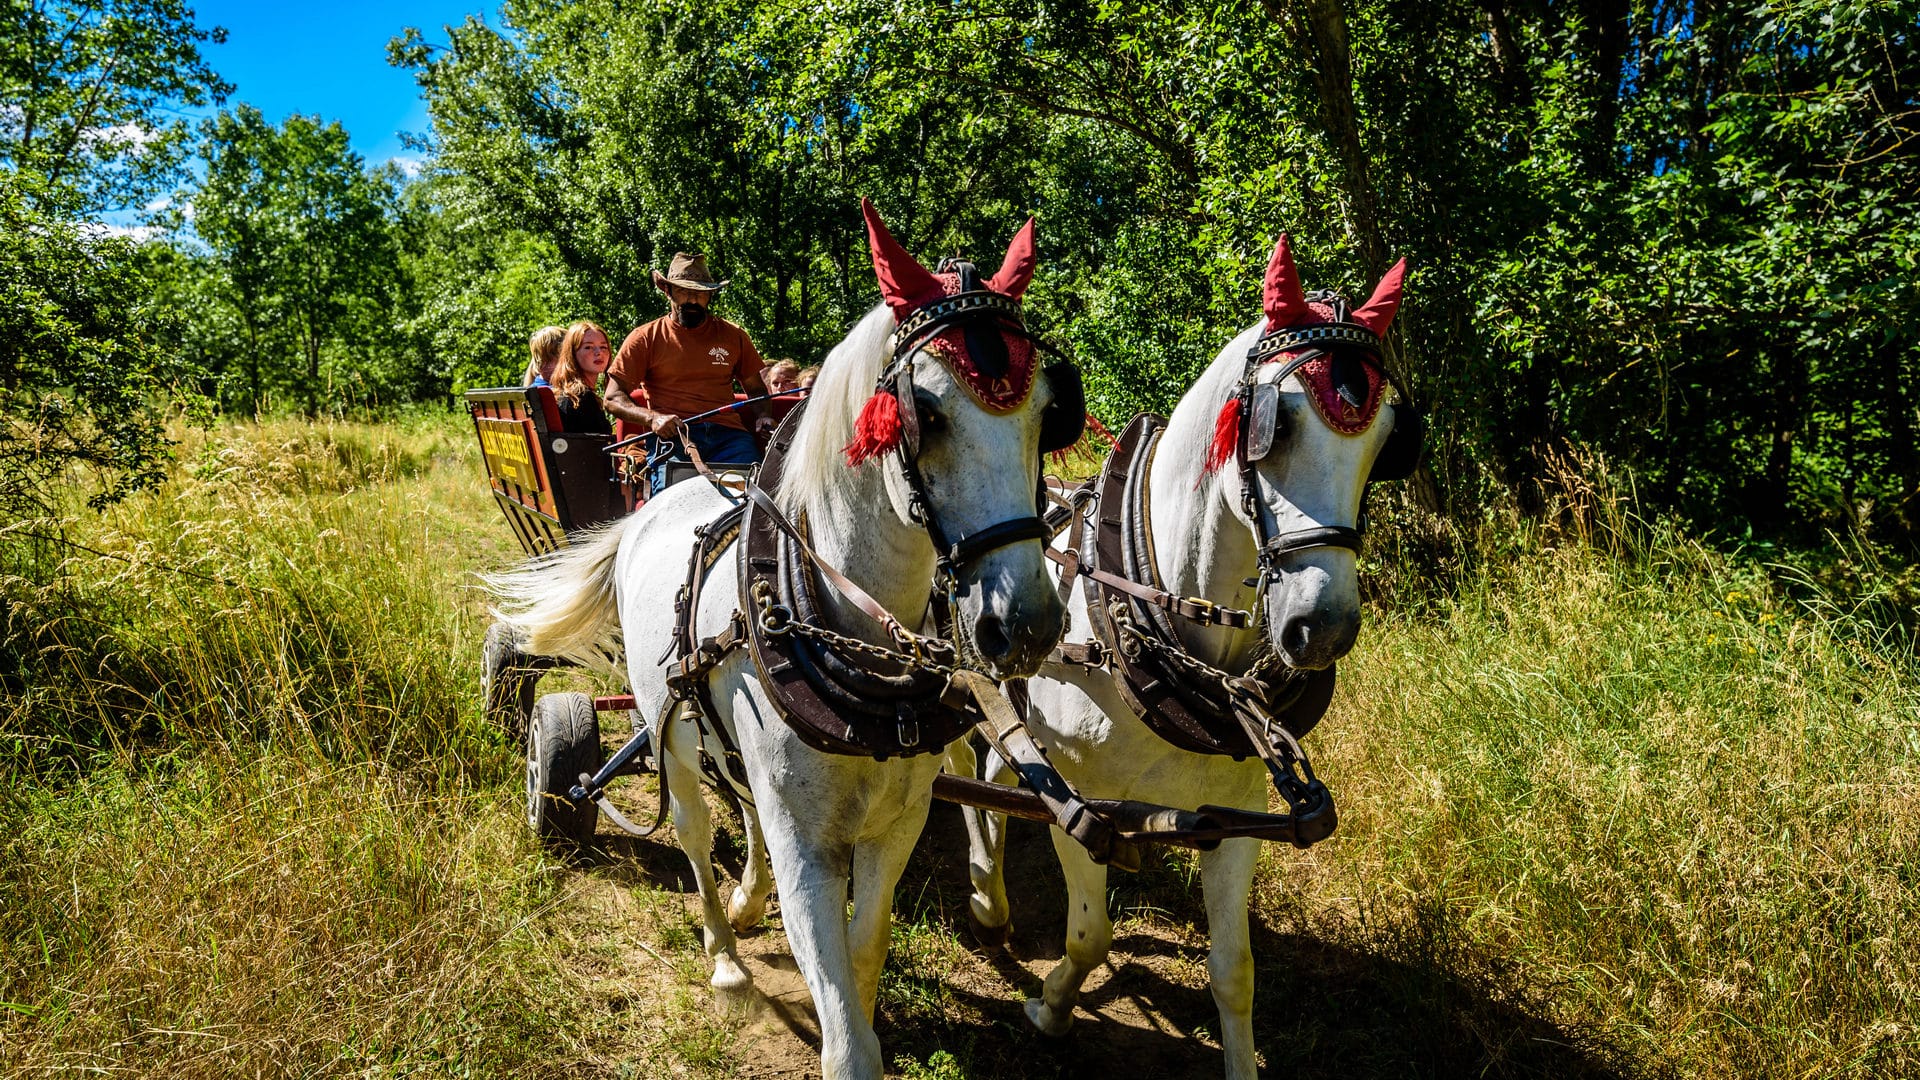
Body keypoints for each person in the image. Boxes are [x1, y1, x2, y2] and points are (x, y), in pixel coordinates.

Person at [602, 252, 772, 490]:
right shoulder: (645, 338)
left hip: (730, 438)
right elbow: (611, 398)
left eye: (700, 293)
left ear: (710, 295)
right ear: (667, 291)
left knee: (758, 498)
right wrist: (653, 418)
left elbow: (756, 390)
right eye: (684, 291)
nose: (692, 299)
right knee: (668, 503)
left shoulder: (734, 336)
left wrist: (763, 415)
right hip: (674, 437)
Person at [549, 321, 613, 434]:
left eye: (603, 347)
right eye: (588, 347)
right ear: (572, 354)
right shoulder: (581, 397)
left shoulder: (569, 393)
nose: (599, 353)